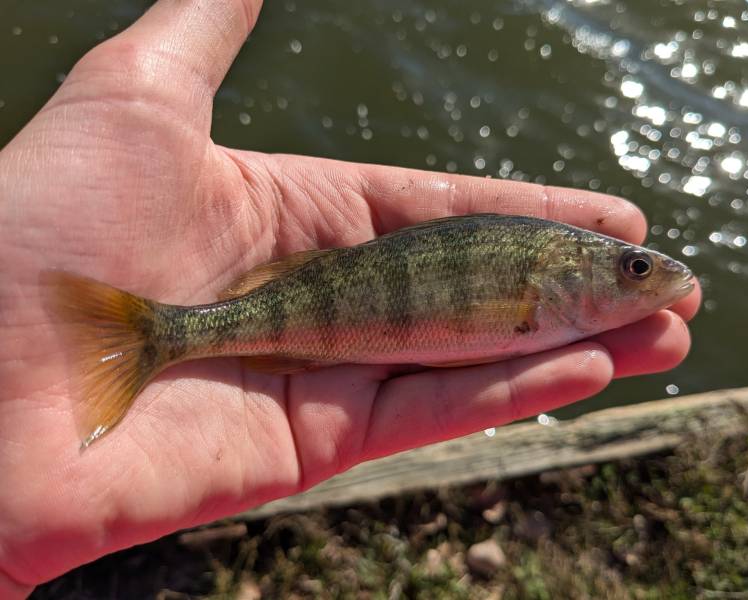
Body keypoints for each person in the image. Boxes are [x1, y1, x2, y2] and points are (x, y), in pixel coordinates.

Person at [0, 0, 699, 596]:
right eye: (633, 270)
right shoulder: (538, 292)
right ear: (563, 275)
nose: (650, 280)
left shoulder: (548, 303)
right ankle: (161, 335)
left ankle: (161, 337)